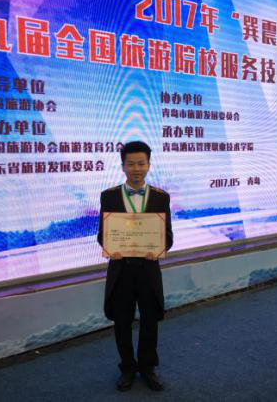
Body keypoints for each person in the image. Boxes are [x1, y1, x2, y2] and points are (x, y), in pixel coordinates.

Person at [97, 140, 173, 392]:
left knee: (150, 321)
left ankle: (148, 368)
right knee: (122, 322)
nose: (136, 169)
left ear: (149, 165)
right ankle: (127, 368)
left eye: (141, 163)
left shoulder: (161, 197)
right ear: (123, 166)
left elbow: (167, 235)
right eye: (131, 164)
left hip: (148, 270)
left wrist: (159, 248)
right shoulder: (108, 196)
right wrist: (111, 247)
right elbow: (102, 235)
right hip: (121, 271)